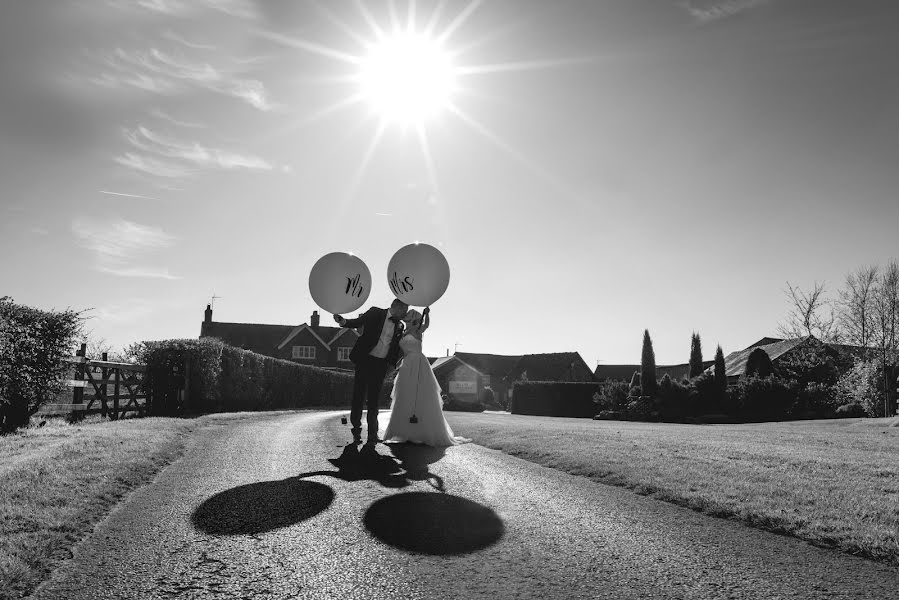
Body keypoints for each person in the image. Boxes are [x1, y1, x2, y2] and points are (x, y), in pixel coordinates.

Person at [383, 307, 470, 446]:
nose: (406, 316)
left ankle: (422, 431)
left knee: (420, 394)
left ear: (413, 319)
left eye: (410, 315)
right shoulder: (403, 332)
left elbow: (427, 325)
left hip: (418, 364)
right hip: (406, 365)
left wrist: (427, 314)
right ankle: (404, 432)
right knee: (405, 395)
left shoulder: (418, 331)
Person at [334, 298, 409, 445]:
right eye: (404, 310)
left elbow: (395, 349)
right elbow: (357, 322)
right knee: (358, 396)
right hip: (364, 360)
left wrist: (391, 366)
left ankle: (372, 435)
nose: (405, 313)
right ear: (395, 307)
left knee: (374, 401)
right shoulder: (375, 313)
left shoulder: (400, 326)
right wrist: (342, 321)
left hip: (380, 365)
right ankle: (356, 431)